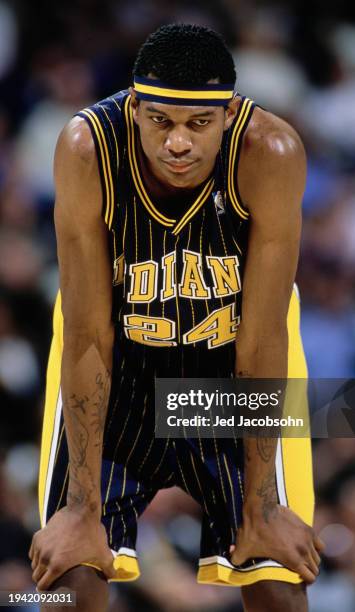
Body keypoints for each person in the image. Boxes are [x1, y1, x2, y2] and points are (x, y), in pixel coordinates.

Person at [29, 23, 323, 612]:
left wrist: (262, 503)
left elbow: (262, 338)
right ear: (135, 108)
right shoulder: (87, 148)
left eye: (198, 124)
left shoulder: (270, 151)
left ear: (228, 111)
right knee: (69, 580)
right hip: (117, 376)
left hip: (229, 381)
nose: (179, 143)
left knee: (277, 583)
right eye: (161, 121)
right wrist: (82, 508)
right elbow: (88, 333)